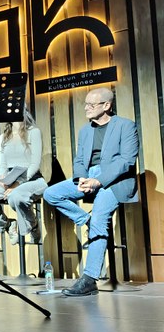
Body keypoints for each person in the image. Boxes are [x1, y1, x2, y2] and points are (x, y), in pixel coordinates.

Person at [43, 87, 139, 296]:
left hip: (114, 181)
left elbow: (126, 161)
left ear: (107, 105)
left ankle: (89, 279)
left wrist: (99, 181)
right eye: (85, 104)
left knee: (99, 219)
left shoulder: (126, 125)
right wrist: (81, 179)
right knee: (51, 194)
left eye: (91, 105)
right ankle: (85, 220)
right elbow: (79, 160)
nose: (86, 108)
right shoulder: (85, 130)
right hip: (90, 176)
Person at [0, 109, 47, 245]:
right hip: (11, 179)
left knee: (15, 196)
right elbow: (3, 165)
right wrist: (1, 179)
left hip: (32, 179)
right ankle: (7, 224)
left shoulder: (34, 132)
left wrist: (17, 183)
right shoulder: (4, 137)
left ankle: (32, 225)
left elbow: (35, 164)